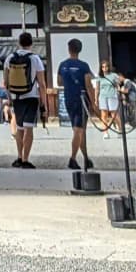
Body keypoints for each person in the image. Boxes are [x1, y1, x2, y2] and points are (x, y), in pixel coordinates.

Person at [0, 31, 46, 169]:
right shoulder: (35, 59)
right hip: (31, 96)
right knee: (29, 128)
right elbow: (42, 83)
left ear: (19, 43)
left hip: (16, 97)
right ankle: (26, 159)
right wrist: (43, 103)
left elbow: (5, 82)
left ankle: (19, 157)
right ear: (31, 43)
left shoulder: (9, 58)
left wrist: (9, 97)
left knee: (19, 128)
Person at [56, 38, 96, 172]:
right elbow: (88, 85)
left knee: (79, 130)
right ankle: (72, 158)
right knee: (79, 130)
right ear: (80, 50)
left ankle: (86, 158)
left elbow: (59, 82)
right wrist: (94, 103)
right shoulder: (83, 66)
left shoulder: (62, 65)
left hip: (68, 98)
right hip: (81, 98)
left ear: (69, 49)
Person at [95, 59, 121, 136]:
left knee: (114, 114)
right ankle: (105, 132)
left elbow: (118, 84)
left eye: (106, 66)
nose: (104, 68)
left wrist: (118, 86)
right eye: (103, 67)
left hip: (112, 95)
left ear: (109, 67)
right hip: (102, 96)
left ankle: (120, 128)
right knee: (104, 115)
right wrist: (96, 99)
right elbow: (97, 88)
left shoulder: (114, 75)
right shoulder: (99, 77)